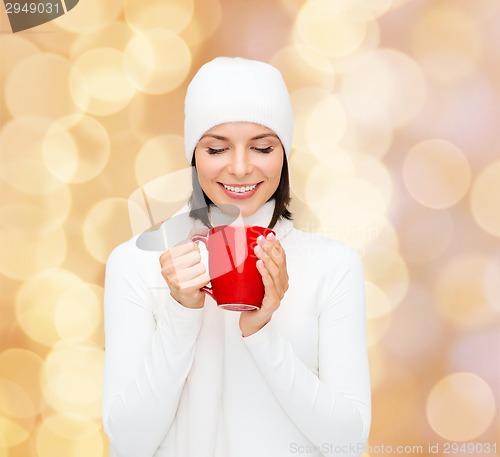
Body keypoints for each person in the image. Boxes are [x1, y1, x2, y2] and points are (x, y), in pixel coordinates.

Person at [102, 57, 371, 457]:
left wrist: (262, 332)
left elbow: (348, 444)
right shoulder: (137, 264)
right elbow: (128, 443)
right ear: (194, 153)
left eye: (262, 147)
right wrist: (180, 313)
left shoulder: (333, 266)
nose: (241, 168)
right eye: (216, 148)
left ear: (285, 152)